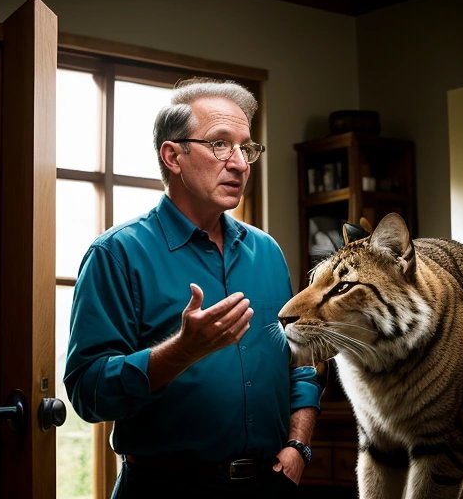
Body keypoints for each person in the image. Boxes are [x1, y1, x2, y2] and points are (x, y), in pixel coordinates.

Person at [63, 76, 324, 498]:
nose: (239, 162)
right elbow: (88, 392)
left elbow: (301, 364)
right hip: (164, 487)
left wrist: (299, 444)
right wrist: (181, 352)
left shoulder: (268, 253)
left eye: (246, 147)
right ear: (173, 156)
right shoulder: (116, 254)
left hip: (270, 484)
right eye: (220, 144)